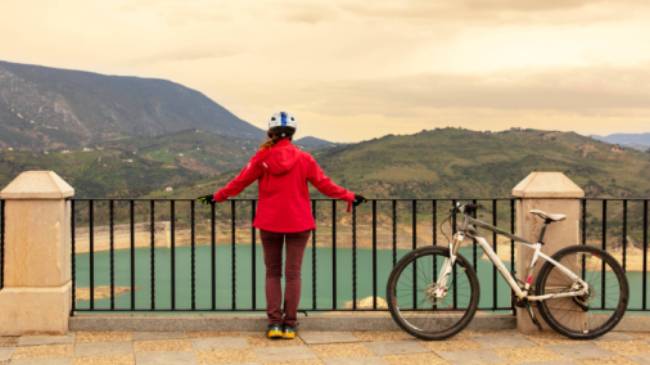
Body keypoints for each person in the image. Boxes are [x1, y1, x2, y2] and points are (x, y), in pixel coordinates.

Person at [198, 111, 366, 340]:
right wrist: (349, 196)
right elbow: (325, 185)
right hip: (299, 222)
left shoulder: (262, 158)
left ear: (271, 133)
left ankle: (274, 323)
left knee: (273, 273)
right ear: (293, 134)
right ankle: (290, 323)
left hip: (269, 223)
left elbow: (239, 183)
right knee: (293, 274)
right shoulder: (304, 158)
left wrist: (216, 197)